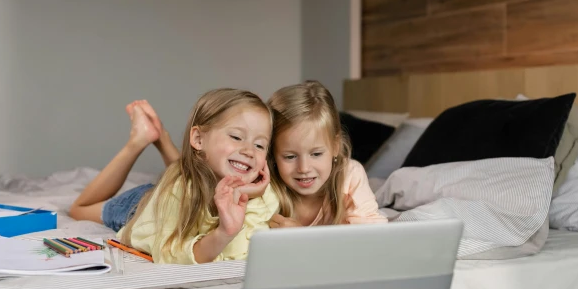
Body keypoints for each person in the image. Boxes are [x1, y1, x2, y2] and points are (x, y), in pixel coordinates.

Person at [69, 90, 277, 264]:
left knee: (191, 174)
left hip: (189, 185)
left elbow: (241, 251)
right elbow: (169, 252)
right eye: (236, 137)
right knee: (79, 209)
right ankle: (139, 141)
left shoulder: (262, 192)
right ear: (198, 138)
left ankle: (161, 138)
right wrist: (222, 233)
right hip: (143, 205)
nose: (249, 151)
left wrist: (247, 196)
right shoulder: (176, 192)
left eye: (260, 145)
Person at [266, 81, 387, 228]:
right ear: (272, 153)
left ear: (335, 146)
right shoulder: (265, 184)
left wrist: (301, 237)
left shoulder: (349, 176)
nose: (304, 168)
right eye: (290, 157)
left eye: (316, 154)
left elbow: (372, 236)